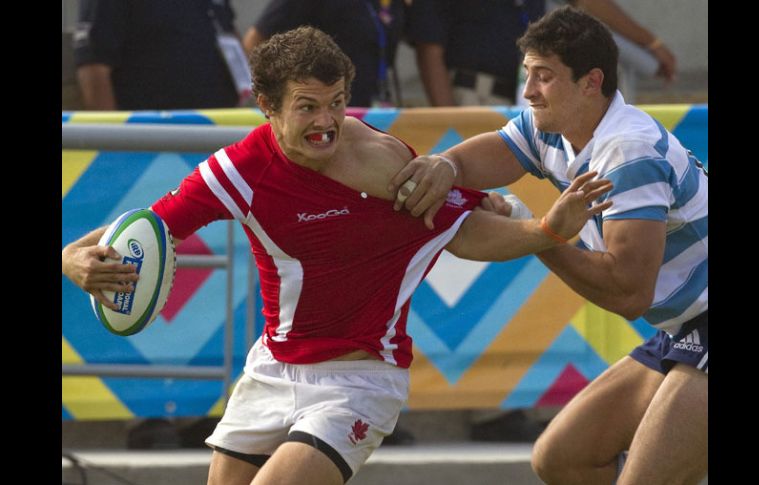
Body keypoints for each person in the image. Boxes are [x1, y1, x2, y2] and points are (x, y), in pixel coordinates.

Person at [61, 26, 611, 485]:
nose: (327, 123)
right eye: (307, 107)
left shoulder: (382, 162)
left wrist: (547, 229)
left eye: (337, 103)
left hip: (358, 380)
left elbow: (466, 234)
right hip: (271, 370)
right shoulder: (239, 171)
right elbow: (150, 227)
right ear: (267, 107)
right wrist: (71, 258)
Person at [389, 7, 707, 484]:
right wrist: (445, 166)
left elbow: (628, 294)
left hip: (700, 322)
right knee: (560, 459)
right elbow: (491, 152)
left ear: (591, 82)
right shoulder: (554, 125)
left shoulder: (628, 151)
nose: (529, 91)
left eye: (544, 76)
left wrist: (540, 235)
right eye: (528, 74)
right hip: (686, 327)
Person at [407, 0, 676, 107]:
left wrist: (651, 43)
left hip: (532, 95)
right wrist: (448, 119)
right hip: (475, 96)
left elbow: (586, 2)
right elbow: (429, 49)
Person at [73, 0, 243, 110]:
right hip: (151, 140)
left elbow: (230, 37)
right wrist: (113, 142)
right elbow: (93, 67)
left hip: (217, 134)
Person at [242, 0, 408, 107]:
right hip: (321, 111)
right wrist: (280, 97)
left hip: (372, 106)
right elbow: (254, 41)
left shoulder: (390, 4)